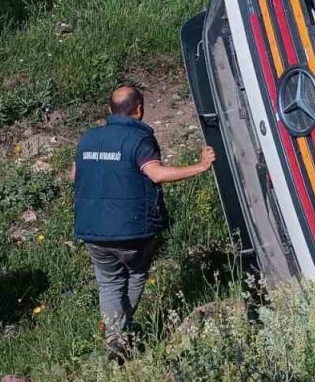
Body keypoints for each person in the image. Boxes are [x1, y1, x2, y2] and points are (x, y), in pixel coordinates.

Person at [71, 85, 214, 353]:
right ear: (139, 110)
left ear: (109, 110)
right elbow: (156, 174)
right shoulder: (138, 140)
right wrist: (200, 166)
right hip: (132, 230)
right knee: (136, 274)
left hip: (91, 230)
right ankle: (123, 331)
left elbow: (75, 176)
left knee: (109, 283)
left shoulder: (87, 139)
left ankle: (115, 339)